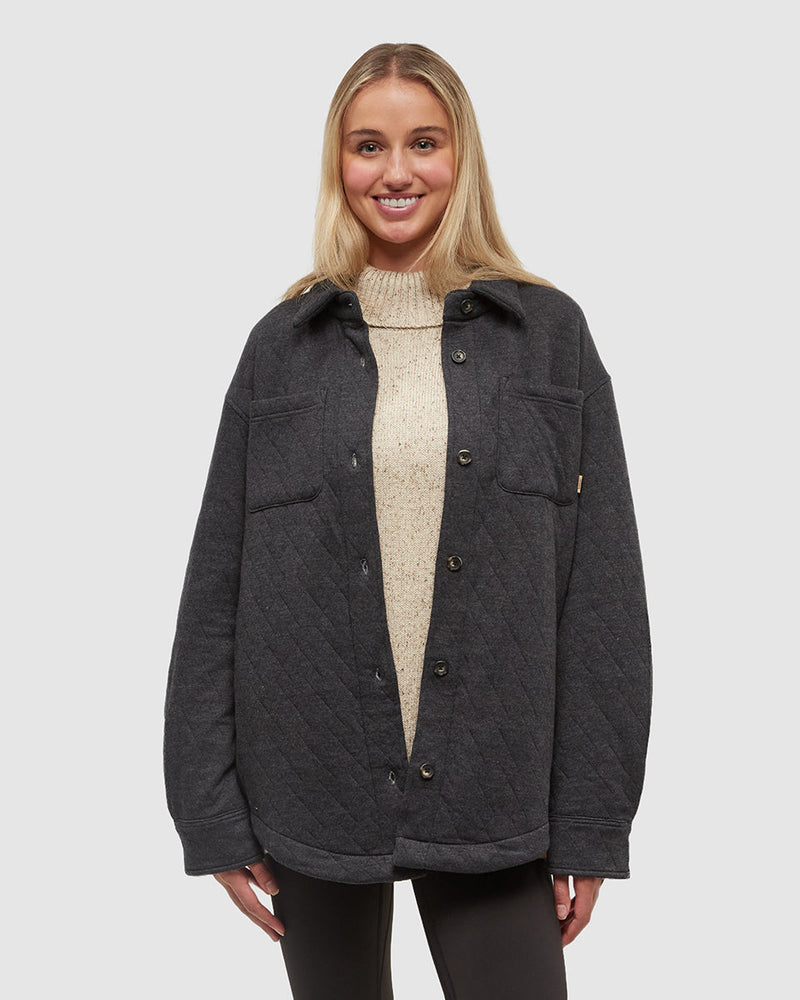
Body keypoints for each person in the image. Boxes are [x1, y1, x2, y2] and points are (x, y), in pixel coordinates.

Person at [163, 41, 653, 1000]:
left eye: (423, 142)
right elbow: (217, 584)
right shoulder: (280, 348)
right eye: (368, 146)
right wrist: (209, 814)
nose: (395, 172)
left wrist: (593, 823)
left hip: (497, 783)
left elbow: (601, 592)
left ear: (461, 155)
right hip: (310, 781)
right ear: (338, 163)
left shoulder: (550, 338)